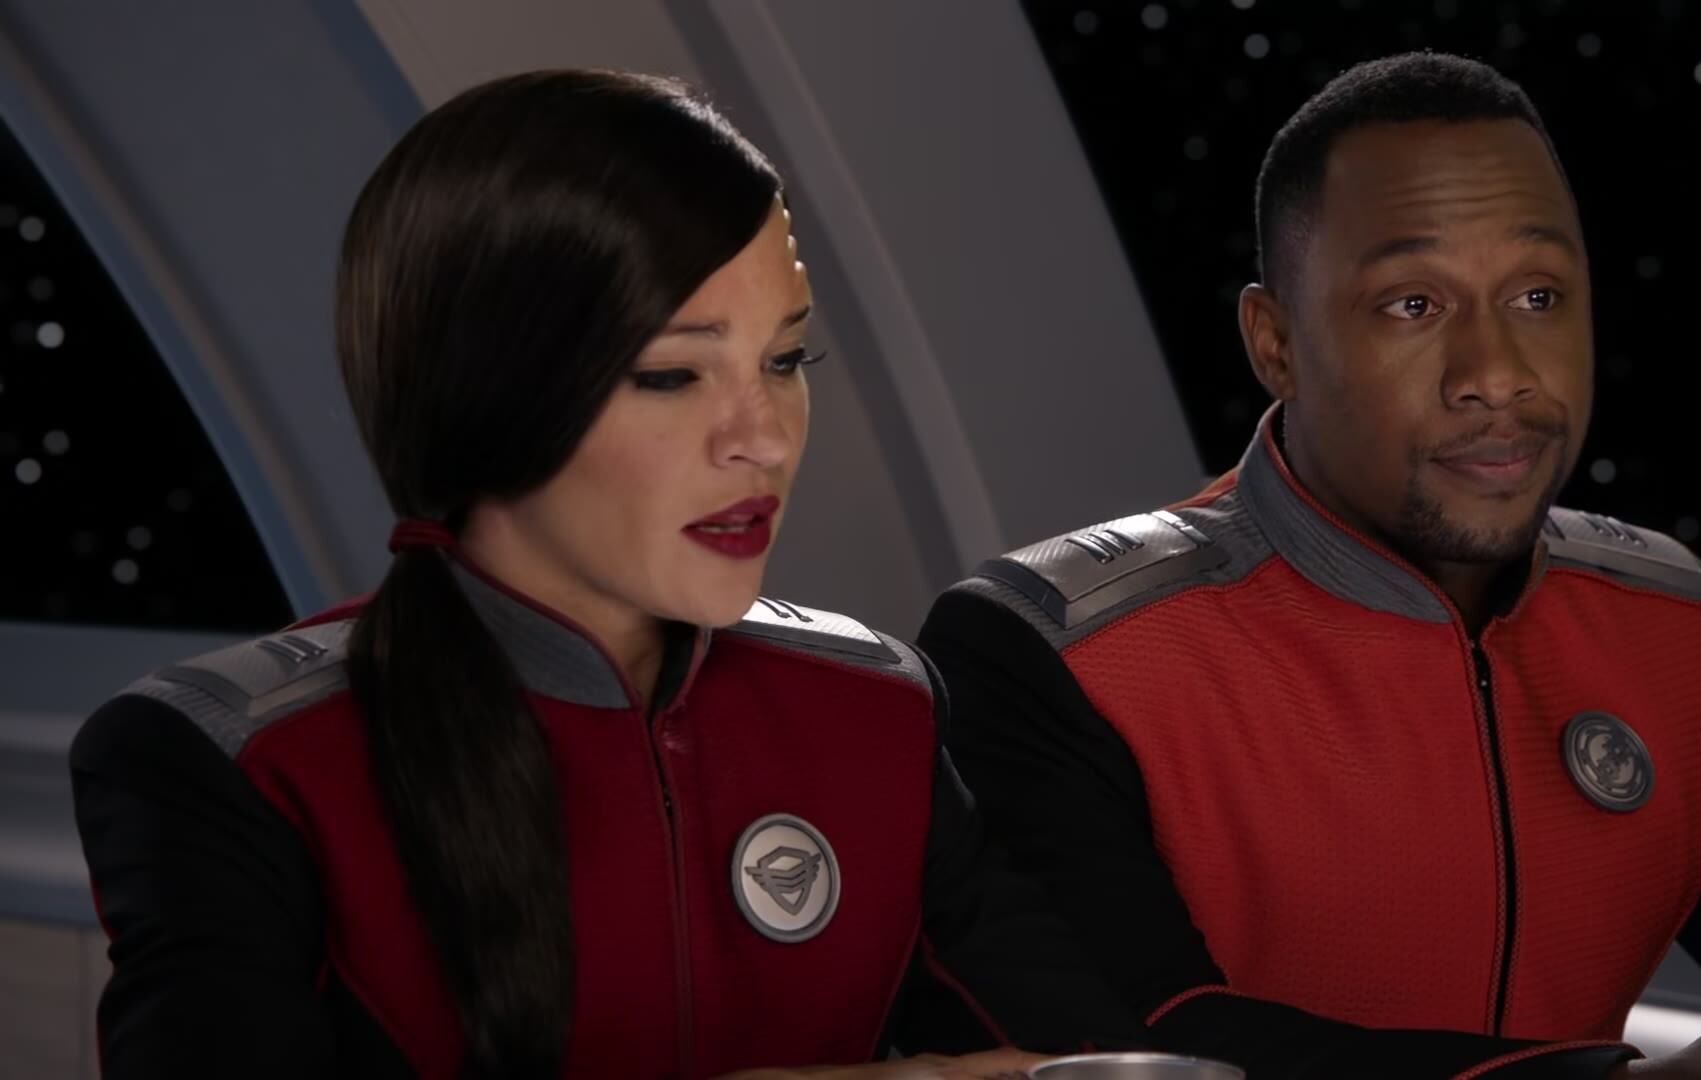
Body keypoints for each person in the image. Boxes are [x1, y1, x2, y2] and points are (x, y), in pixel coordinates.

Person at [69, 70, 1137, 1079]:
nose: (764, 438)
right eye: (671, 374)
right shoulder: (242, 763)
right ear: (487, 393)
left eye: (785, 360)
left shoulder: (877, 710)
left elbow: (1085, 1061)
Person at [917, 52, 1701, 1079]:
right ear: (1275, 343)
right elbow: (1136, 1050)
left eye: (1538, 295)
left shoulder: (1686, 638)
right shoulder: (1049, 655)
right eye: (1413, 305)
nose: (1497, 374)